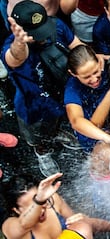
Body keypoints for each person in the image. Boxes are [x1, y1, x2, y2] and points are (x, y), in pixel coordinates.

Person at [1, 0, 83, 177]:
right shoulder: (11, 45)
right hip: (34, 105)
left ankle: (58, 133)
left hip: (61, 91)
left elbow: (76, 45)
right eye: (36, 34)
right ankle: (42, 153)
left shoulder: (56, 24)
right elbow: (14, 57)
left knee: (62, 119)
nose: (43, 36)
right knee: (37, 135)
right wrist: (19, 43)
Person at [64, 45, 110, 155]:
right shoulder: (72, 88)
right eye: (86, 77)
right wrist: (107, 137)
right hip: (94, 134)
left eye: (96, 72)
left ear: (100, 62)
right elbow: (76, 121)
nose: (94, 79)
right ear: (73, 74)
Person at [1, 173, 110, 239]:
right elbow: (24, 224)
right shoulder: (10, 227)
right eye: (29, 206)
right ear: (16, 210)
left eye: (41, 198)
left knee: (82, 224)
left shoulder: (52, 200)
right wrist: (39, 201)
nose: (40, 210)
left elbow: (83, 222)